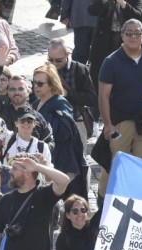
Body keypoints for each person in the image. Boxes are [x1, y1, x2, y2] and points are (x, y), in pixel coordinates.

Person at [97, 18, 142, 197]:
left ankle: (138, 200)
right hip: (120, 122)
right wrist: (108, 124)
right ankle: (104, 200)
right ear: (122, 36)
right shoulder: (111, 61)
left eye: (137, 33)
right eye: (129, 33)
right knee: (115, 164)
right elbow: (103, 96)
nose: (133, 37)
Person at [30, 63, 90, 200]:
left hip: (61, 163)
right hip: (44, 161)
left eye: (40, 83)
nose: (36, 87)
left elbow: (65, 132)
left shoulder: (60, 103)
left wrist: (40, 120)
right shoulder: (35, 104)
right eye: (34, 83)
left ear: (51, 84)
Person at [0, 78, 53, 166]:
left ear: (35, 124)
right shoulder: (7, 138)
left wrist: (41, 166)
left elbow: (49, 177)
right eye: (22, 121)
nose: (26, 123)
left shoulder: (42, 147)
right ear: (16, 123)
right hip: (9, 178)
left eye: (29, 121)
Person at [0, 48, 53, 144]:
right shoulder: (1, 110)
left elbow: (49, 141)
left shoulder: (37, 116)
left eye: (21, 89)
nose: (17, 92)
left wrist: (42, 152)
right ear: (7, 92)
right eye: (13, 89)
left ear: (28, 91)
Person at [46, 38, 98, 142]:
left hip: (76, 121)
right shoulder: (44, 71)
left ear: (67, 54)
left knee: (78, 157)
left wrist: (68, 94)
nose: (54, 64)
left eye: (58, 60)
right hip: (51, 122)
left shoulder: (80, 69)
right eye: (50, 60)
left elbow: (92, 99)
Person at [87, 0, 142, 88]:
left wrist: (122, 3)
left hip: (124, 40)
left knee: (120, 73)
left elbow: (138, 16)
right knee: (98, 73)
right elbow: (91, 10)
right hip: (103, 40)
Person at [60, 0, 97, 64]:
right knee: (99, 52)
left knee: (80, 52)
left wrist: (64, 14)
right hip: (99, 19)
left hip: (79, 15)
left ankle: (78, 71)